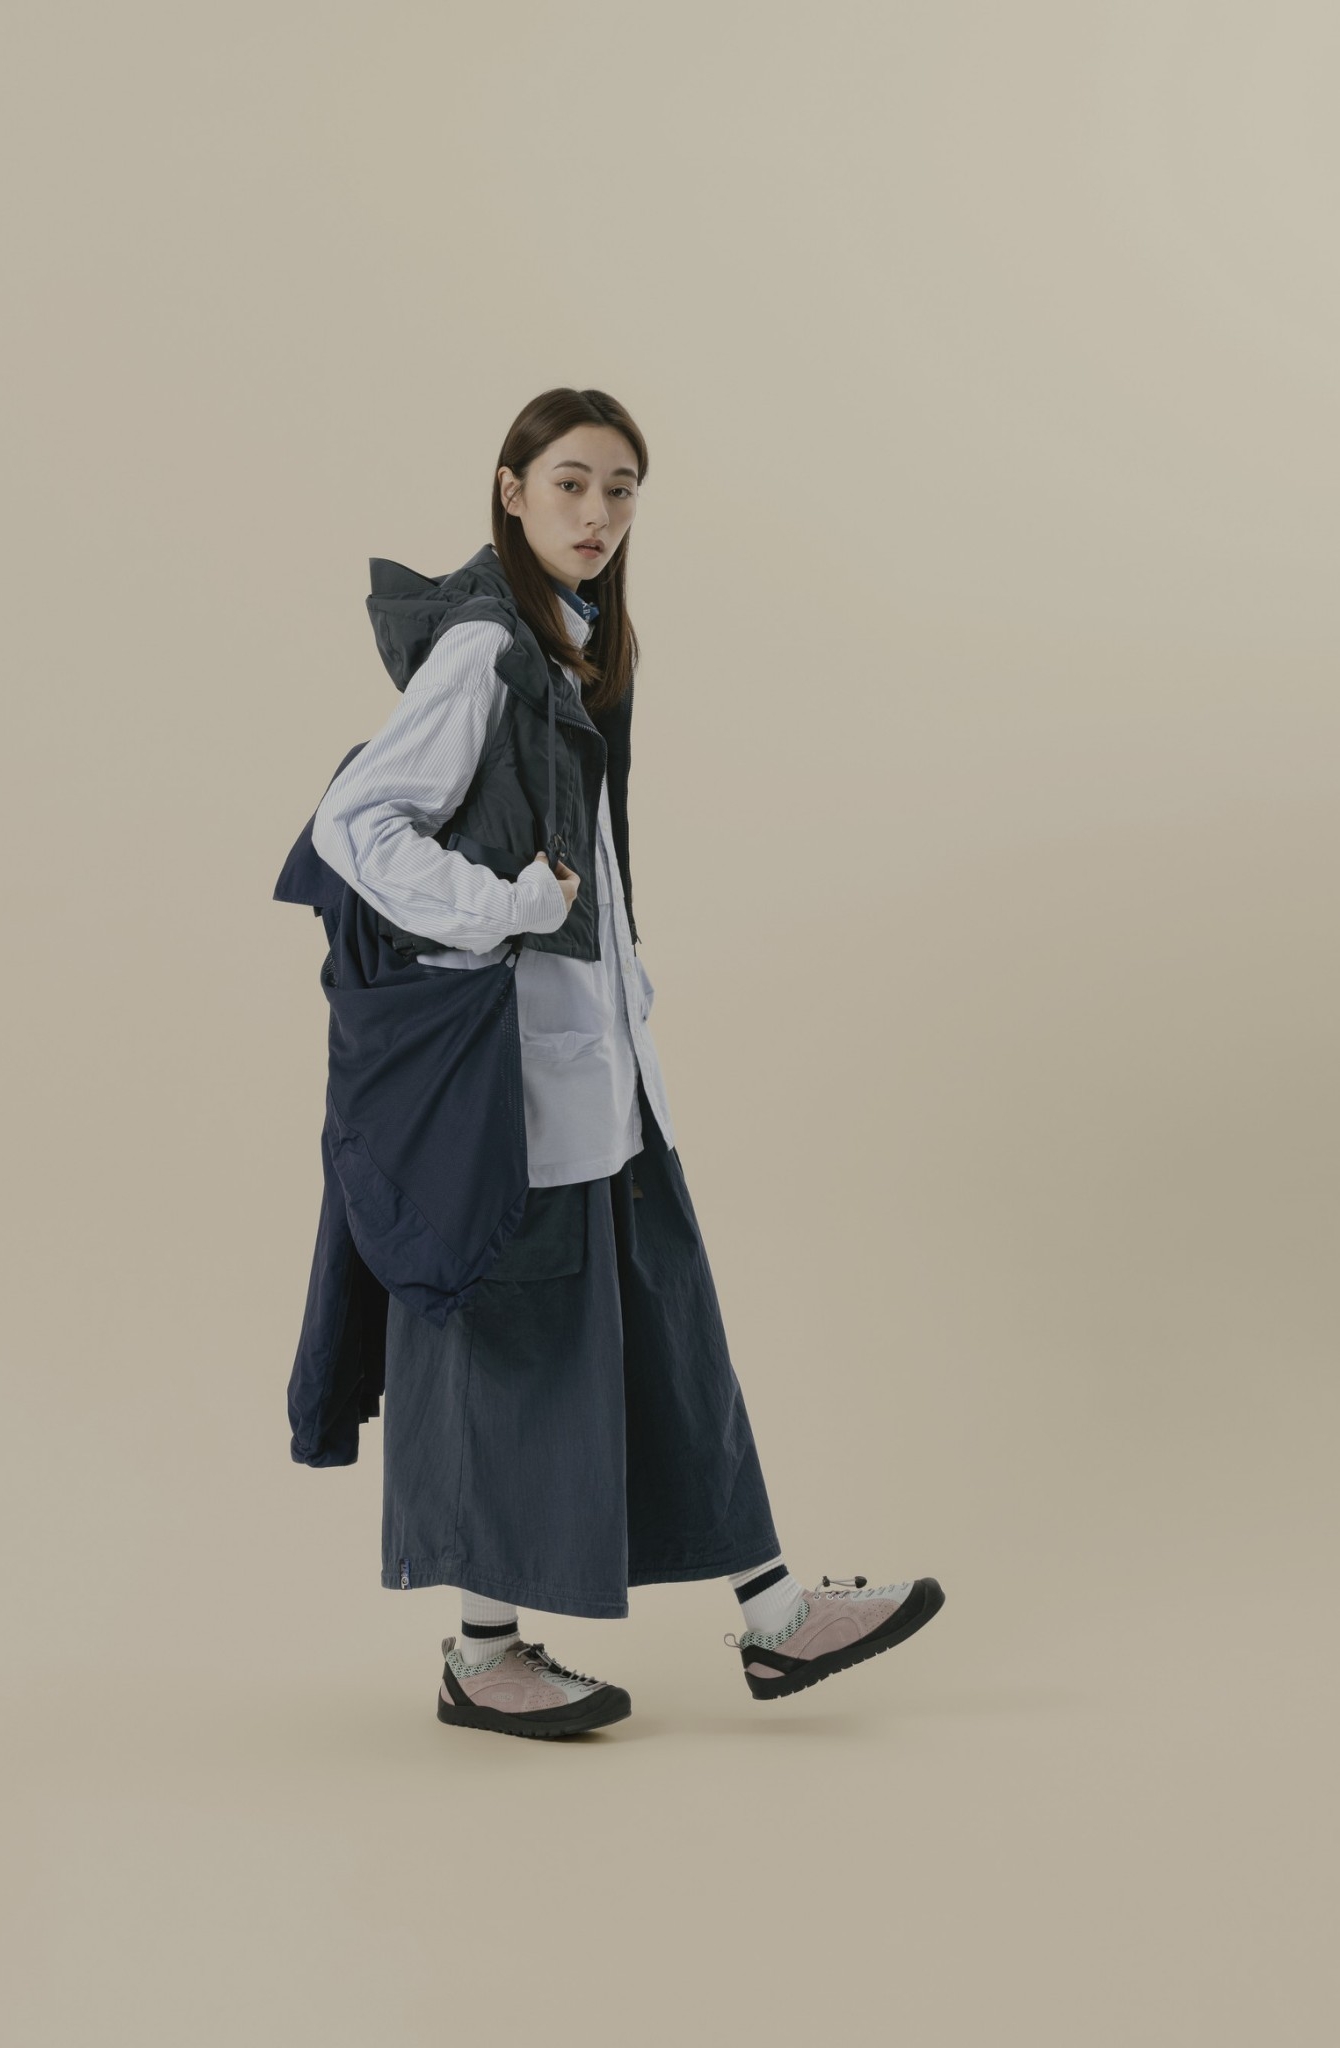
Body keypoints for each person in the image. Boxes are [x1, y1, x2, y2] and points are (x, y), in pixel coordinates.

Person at [310, 387, 945, 1739]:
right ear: (511, 491)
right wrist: (505, 909)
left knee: (665, 1325)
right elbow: (353, 824)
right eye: (570, 484)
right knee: (511, 1355)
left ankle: (775, 1615)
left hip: (597, 1076)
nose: (597, 513)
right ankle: (486, 1654)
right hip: (514, 1092)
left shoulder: (571, 647)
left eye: (620, 490)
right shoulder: (486, 650)